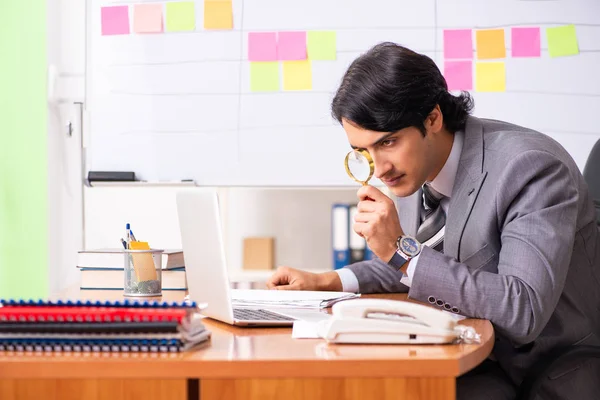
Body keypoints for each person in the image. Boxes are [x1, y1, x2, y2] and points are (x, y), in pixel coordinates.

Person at [266, 42, 600, 400]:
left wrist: (401, 249)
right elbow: (424, 259)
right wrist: (327, 280)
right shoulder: (414, 168)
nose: (379, 169)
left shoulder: (530, 168)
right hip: (466, 352)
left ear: (433, 118)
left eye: (389, 142)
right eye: (364, 152)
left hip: (541, 370)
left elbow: (522, 310)